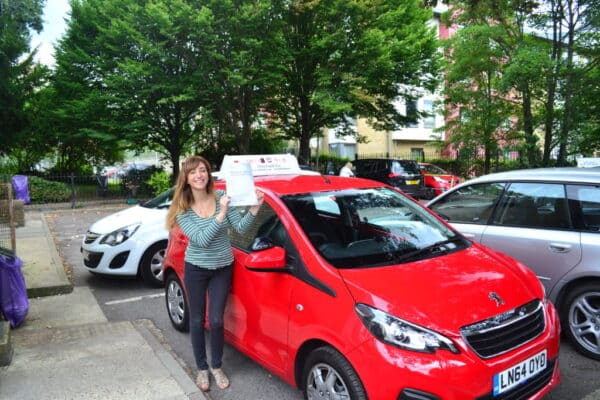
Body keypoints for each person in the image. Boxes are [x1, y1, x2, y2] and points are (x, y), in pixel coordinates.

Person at [166, 155, 264, 392]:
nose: (199, 175)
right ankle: (202, 368)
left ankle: (216, 366)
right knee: (198, 320)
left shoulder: (221, 197)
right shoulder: (183, 209)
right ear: (186, 179)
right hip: (196, 269)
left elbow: (240, 229)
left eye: (203, 170)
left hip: (222, 267)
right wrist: (220, 214)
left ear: (209, 174)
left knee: (218, 320)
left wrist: (254, 209)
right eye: (193, 172)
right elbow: (201, 240)